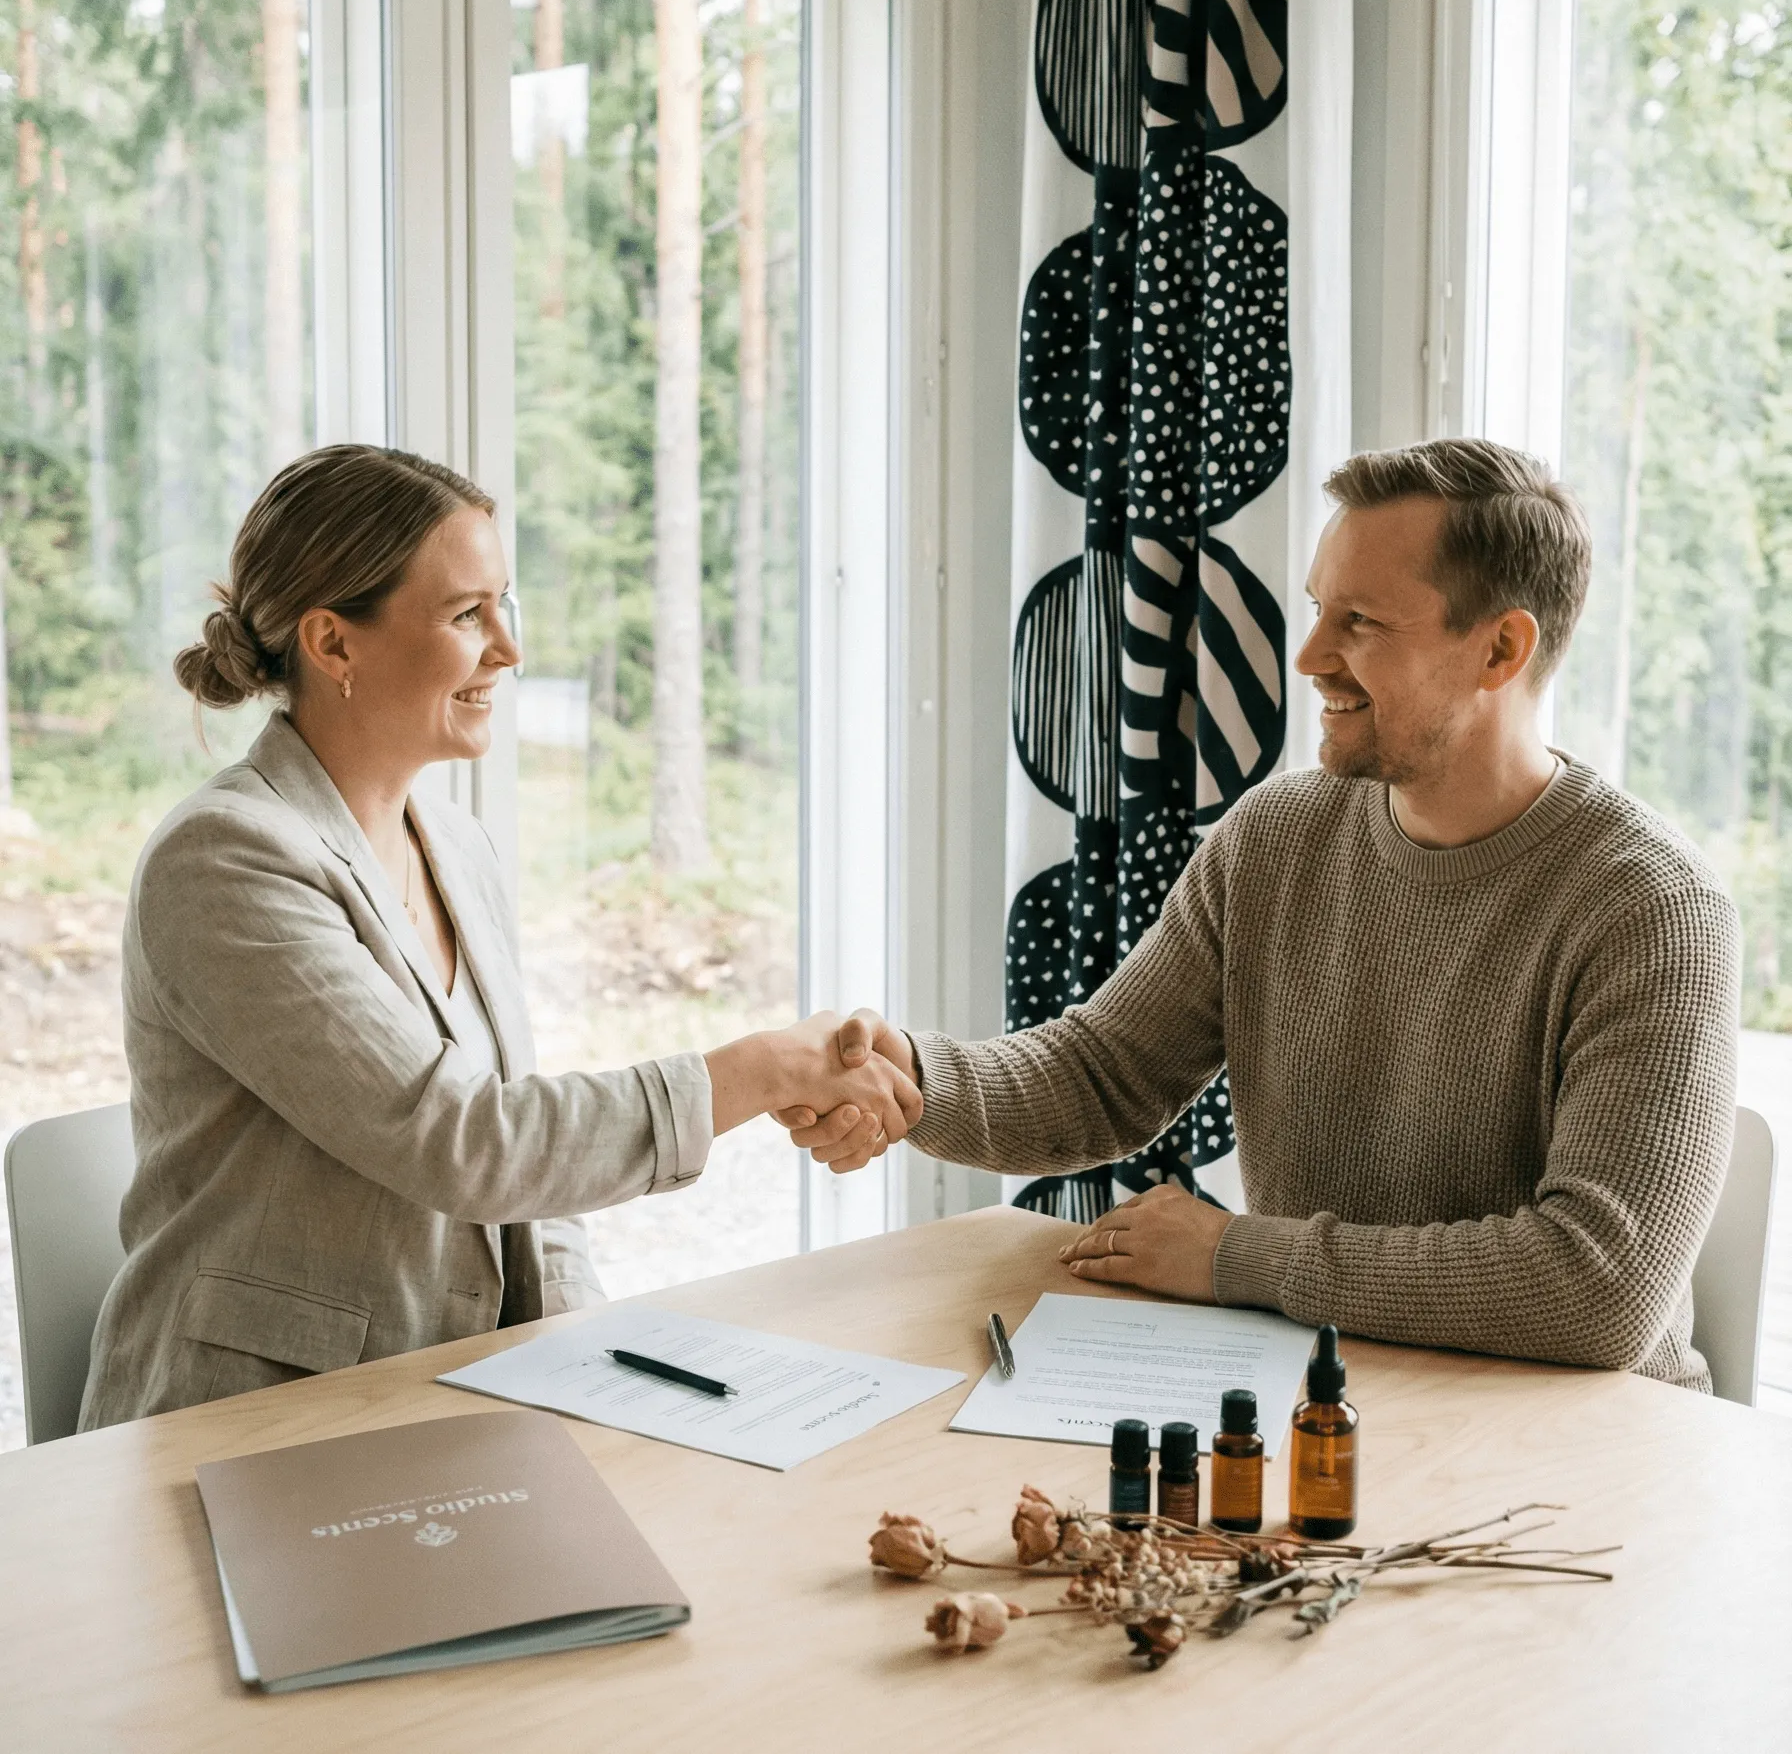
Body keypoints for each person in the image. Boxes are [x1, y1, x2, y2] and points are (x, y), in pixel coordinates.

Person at [796, 440, 1740, 1389]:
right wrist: (914, 1077)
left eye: (1362, 621)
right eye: (1317, 608)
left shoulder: (1652, 910)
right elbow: (1102, 1074)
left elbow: (1599, 1286)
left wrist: (1236, 1257)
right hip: (1325, 1391)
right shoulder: (1275, 837)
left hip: (1583, 1450)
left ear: (1501, 648)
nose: (1310, 657)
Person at [80, 445, 912, 1428]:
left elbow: (527, 1169)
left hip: (440, 1403)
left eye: (502, 605)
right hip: (247, 1426)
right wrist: (765, 1069)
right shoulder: (224, 860)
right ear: (332, 644)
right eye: (467, 614)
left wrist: (602, 1372)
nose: (508, 652)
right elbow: (462, 1140)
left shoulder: (457, 846)